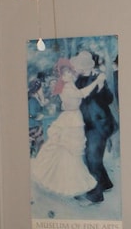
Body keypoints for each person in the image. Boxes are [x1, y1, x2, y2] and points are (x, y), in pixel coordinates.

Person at [32, 59, 106, 197]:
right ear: (61, 76)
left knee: (72, 151)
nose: (68, 75)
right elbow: (82, 94)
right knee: (68, 149)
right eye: (65, 74)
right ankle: (67, 182)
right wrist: (96, 81)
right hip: (70, 119)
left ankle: (72, 178)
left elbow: (79, 74)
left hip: (74, 118)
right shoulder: (65, 87)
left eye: (69, 72)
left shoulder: (70, 83)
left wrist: (93, 73)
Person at [71, 49, 117, 204]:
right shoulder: (79, 81)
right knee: (91, 157)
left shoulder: (98, 78)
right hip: (87, 124)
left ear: (86, 66)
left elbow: (109, 99)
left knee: (92, 159)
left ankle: (94, 196)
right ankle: (105, 184)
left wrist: (102, 86)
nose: (77, 68)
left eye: (79, 65)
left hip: (100, 125)